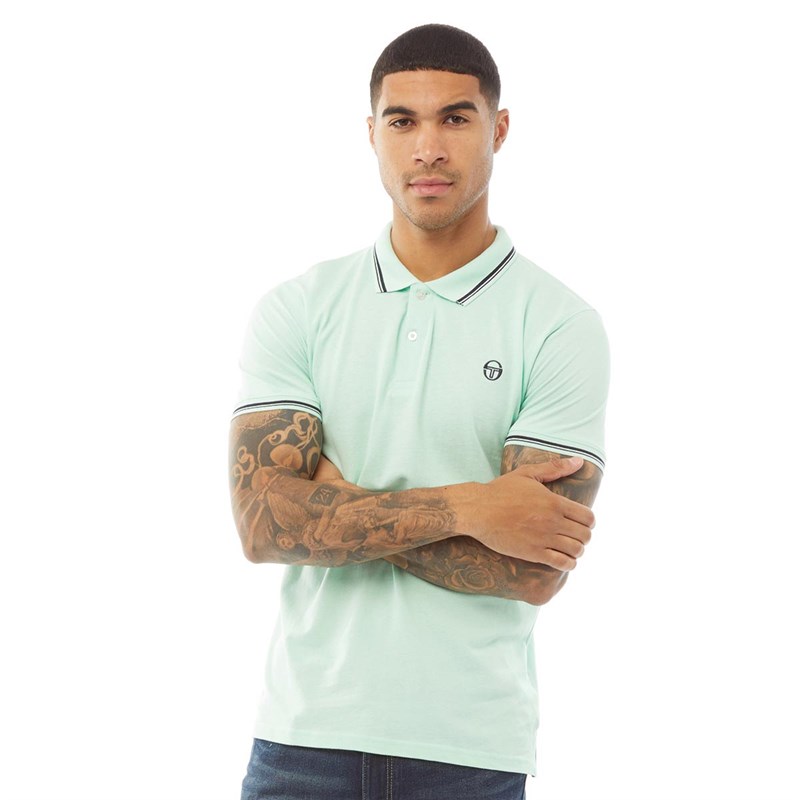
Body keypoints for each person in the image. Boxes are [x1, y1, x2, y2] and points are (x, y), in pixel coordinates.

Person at [230, 22, 609, 800]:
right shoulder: (299, 308)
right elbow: (264, 526)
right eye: (402, 121)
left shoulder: (558, 324)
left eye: (455, 118)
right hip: (302, 740)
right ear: (372, 134)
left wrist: (334, 504)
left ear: (499, 129)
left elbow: (531, 570)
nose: (428, 148)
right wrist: (471, 507)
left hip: (470, 750)